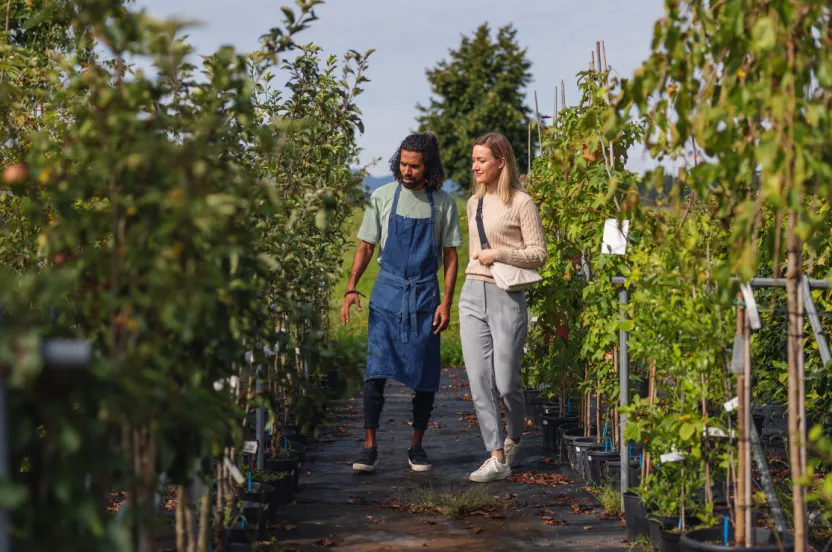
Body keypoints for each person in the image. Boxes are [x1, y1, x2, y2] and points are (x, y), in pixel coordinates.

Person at [340, 132, 463, 473]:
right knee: (375, 372)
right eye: (404, 164)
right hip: (387, 295)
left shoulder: (444, 203)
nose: (407, 171)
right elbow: (366, 246)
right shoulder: (381, 196)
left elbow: (451, 256)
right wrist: (351, 288)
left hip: (425, 297)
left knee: (425, 376)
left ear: (428, 167)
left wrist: (446, 302)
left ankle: (416, 447)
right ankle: (369, 446)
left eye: (415, 166)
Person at [459, 132, 546, 483]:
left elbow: (538, 254)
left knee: (507, 382)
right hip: (471, 292)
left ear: (501, 162)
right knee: (479, 379)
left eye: (481, 160)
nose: (475, 166)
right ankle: (495, 457)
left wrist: (499, 253)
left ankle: (515, 437)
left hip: (506, 295)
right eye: (473, 160)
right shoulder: (473, 203)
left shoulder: (522, 203)